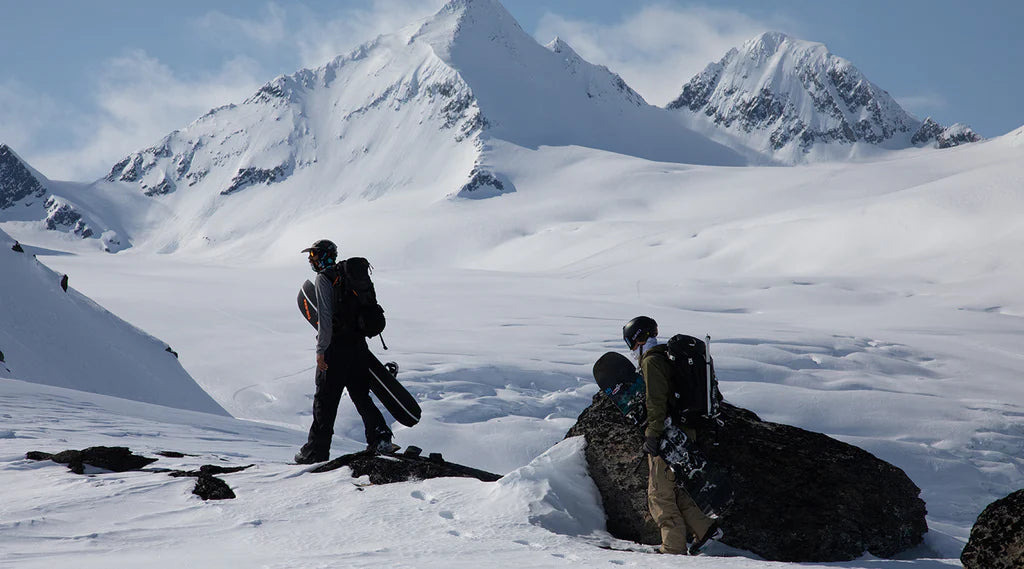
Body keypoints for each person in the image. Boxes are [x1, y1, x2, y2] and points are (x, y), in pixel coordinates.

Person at [623, 315, 724, 555]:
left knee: (659, 494)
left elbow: (655, 402)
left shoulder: (652, 362)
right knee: (678, 487)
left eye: (631, 343)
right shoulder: (670, 357)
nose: (632, 350)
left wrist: (653, 434)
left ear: (638, 339)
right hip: (687, 431)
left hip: (669, 435)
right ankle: (706, 529)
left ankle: (672, 549)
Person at [294, 239, 397, 464]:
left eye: (313, 256)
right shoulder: (351, 277)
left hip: (336, 349)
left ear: (322, 257)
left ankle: (315, 451)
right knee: (361, 395)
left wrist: (321, 351)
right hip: (359, 347)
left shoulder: (324, 279)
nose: (311, 261)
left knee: (325, 400)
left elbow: (325, 320)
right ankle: (381, 438)